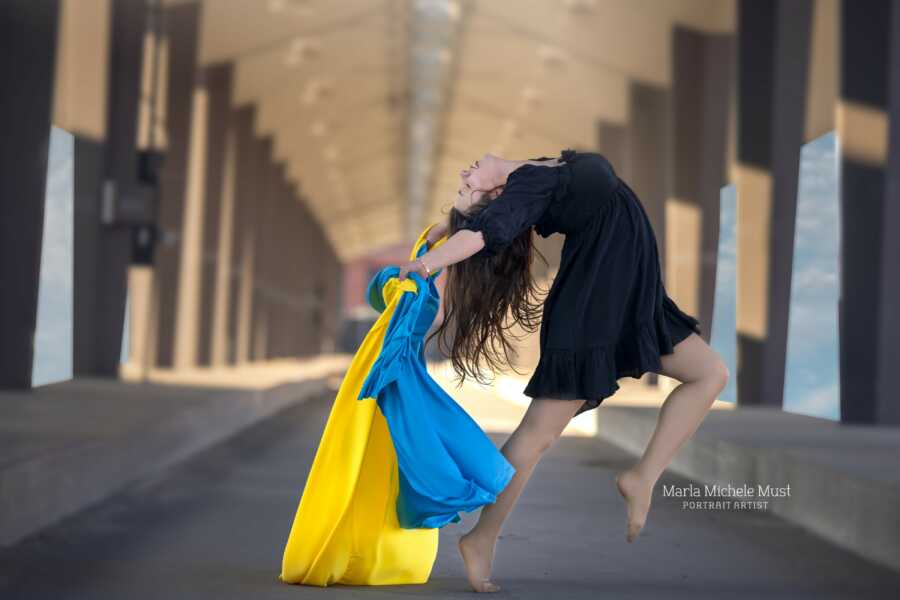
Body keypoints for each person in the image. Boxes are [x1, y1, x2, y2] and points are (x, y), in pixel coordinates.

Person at [397, 149, 729, 593]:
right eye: (467, 185)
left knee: (710, 374)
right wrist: (425, 263)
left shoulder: (535, 171)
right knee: (537, 434)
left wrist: (444, 229)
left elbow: (477, 227)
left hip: (633, 299)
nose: (464, 171)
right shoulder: (525, 187)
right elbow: (481, 236)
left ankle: (642, 477)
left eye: (463, 180)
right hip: (595, 307)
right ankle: (482, 537)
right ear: (496, 195)